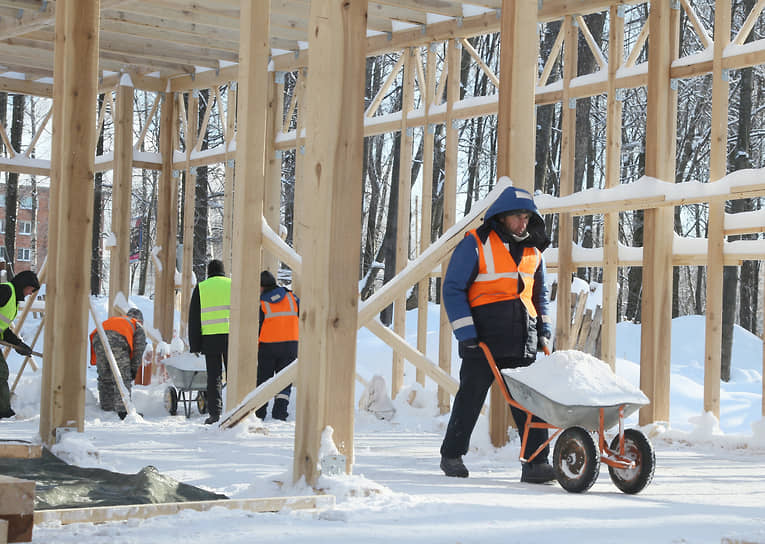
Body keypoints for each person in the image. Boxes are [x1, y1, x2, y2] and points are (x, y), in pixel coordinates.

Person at [440, 184, 555, 484]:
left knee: (531, 402)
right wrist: (467, 334)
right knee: (470, 398)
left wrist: (544, 329)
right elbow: (453, 289)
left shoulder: (534, 252)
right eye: (518, 217)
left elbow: (538, 295)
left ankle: (535, 463)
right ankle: (452, 454)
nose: (523, 224)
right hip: (483, 340)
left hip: (523, 340)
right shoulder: (475, 244)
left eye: (527, 219)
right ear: (502, 217)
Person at [189, 259, 231, 425]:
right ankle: (235, 409)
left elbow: (194, 318)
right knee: (233, 375)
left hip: (210, 339)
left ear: (208, 272)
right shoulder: (233, 284)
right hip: (231, 337)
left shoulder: (202, 287)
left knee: (214, 378)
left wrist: (195, 345)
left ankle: (214, 414)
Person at [256, 270, 299, 421]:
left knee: (263, 380)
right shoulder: (292, 297)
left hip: (268, 346)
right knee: (284, 381)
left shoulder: (261, 302)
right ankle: (280, 413)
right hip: (291, 346)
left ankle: (259, 413)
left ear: (261, 287)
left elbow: (257, 325)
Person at [89, 307, 147, 420]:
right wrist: (133, 370)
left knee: (105, 375)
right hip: (117, 340)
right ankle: (123, 410)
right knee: (122, 376)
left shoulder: (118, 320)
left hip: (98, 337)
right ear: (140, 320)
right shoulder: (137, 325)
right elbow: (138, 350)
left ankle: (106, 406)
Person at [0, 270, 39, 419]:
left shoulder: (13, 302)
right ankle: (3, 410)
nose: (30, 293)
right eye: (31, 289)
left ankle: (3, 409)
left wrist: (19, 345)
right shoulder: (5, 290)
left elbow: (4, 329)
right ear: (24, 285)